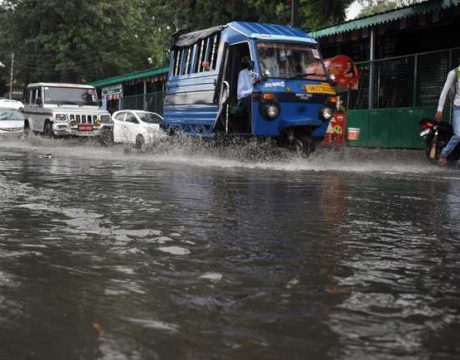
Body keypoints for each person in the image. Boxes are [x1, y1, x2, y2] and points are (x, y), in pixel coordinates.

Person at [435, 65, 460, 165]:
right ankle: (444, 154)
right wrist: (440, 109)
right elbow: (444, 92)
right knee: (458, 135)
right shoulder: (454, 73)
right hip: (458, 107)